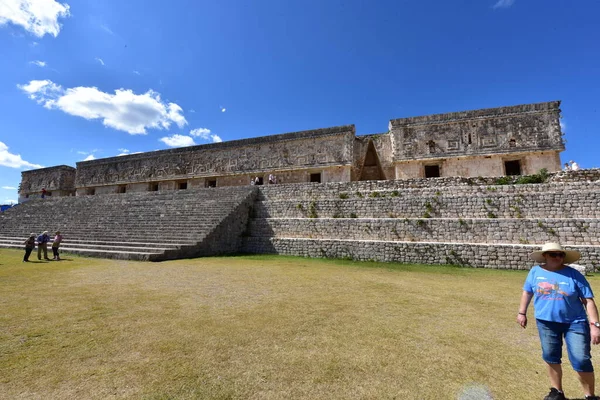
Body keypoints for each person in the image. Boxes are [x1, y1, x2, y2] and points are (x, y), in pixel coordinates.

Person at [517, 243, 600, 400]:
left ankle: (590, 396)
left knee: (581, 359)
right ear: (545, 256)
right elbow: (527, 292)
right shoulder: (535, 272)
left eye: (560, 255)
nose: (557, 257)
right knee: (551, 356)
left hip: (575, 323)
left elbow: (588, 301)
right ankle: (557, 392)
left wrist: (595, 325)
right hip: (546, 322)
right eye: (553, 254)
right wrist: (522, 312)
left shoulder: (574, 275)